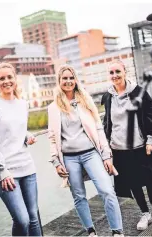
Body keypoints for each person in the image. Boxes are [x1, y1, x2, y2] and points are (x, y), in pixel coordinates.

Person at [101, 60, 152, 231]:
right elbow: (107, 123)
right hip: (119, 149)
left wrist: (151, 140)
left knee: (151, 178)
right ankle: (145, 213)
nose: (114, 76)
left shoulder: (139, 93)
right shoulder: (107, 97)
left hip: (141, 146)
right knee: (133, 182)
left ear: (125, 72)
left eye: (117, 71)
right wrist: (107, 147)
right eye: (111, 73)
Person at [48, 65, 124, 237]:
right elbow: (52, 137)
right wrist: (55, 161)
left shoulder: (85, 100)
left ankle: (117, 231)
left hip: (91, 153)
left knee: (107, 190)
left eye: (71, 78)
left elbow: (98, 128)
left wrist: (106, 155)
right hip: (69, 158)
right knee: (79, 196)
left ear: (75, 80)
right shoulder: (53, 108)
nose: (68, 81)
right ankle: (91, 231)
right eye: (64, 78)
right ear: (59, 82)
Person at [0, 62, 42, 236]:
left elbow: (16, 129)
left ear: (15, 79)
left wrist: (27, 135)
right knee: (22, 219)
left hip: (27, 167)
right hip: (6, 172)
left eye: (9, 77)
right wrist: (3, 170)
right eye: (2, 78)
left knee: (33, 218)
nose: (6, 81)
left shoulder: (23, 104)